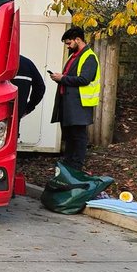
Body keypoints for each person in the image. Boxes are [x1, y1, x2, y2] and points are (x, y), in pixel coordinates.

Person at [48, 26, 100, 171]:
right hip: (69, 102)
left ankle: (76, 166)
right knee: (69, 135)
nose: (68, 46)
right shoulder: (74, 56)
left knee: (78, 135)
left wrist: (62, 78)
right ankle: (69, 164)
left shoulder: (89, 57)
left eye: (69, 43)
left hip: (80, 103)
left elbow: (84, 79)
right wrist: (60, 78)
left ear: (78, 39)